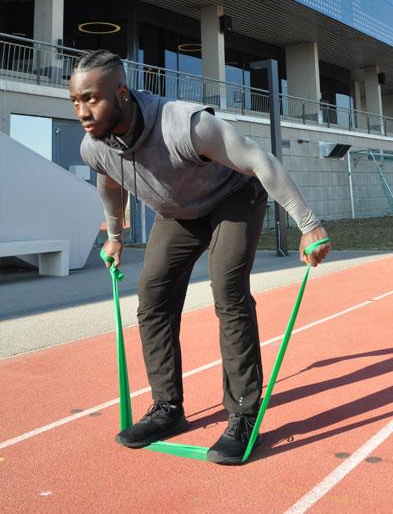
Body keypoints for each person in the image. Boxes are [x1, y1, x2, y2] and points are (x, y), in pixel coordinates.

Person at [69, 49, 331, 464]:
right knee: (152, 296)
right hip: (179, 212)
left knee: (227, 288)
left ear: (121, 93)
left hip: (234, 196)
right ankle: (167, 409)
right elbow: (110, 184)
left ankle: (243, 416)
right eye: (76, 101)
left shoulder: (186, 124)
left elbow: (260, 161)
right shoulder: (95, 144)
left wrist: (308, 223)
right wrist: (115, 237)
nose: (83, 111)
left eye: (91, 98)